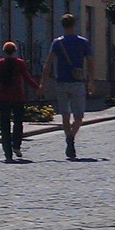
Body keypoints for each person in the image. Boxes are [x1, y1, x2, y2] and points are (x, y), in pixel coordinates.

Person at [42, 13, 95, 159]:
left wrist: (43, 83)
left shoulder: (57, 43)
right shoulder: (83, 42)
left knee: (65, 115)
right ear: (74, 24)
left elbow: (48, 64)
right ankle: (71, 138)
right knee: (79, 117)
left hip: (61, 82)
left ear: (63, 25)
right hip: (78, 83)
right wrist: (91, 81)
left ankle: (69, 140)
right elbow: (90, 63)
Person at [0, 41, 40, 162]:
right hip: (18, 97)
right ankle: (16, 146)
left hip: (3, 97)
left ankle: (7, 153)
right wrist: (38, 88)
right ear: (15, 51)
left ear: (3, 52)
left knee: (5, 126)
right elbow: (27, 78)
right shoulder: (20, 63)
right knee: (18, 123)